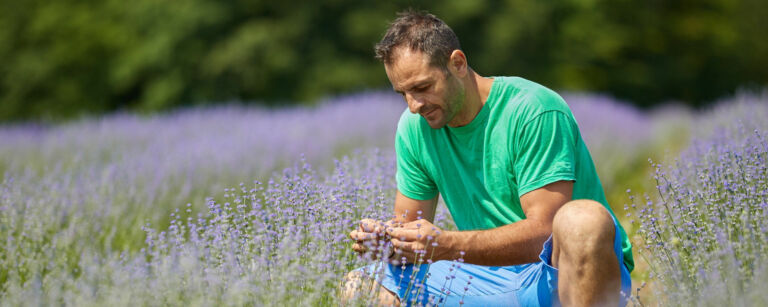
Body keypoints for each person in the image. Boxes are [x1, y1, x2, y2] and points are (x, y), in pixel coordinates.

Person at [344, 10, 633, 307]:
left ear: (457, 63)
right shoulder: (414, 128)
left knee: (584, 219)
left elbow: (544, 234)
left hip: (557, 275)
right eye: (402, 93)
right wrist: (389, 243)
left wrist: (444, 245)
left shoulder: (533, 110)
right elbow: (410, 229)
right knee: (361, 286)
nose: (414, 105)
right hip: (484, 275)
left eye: (422, 87)